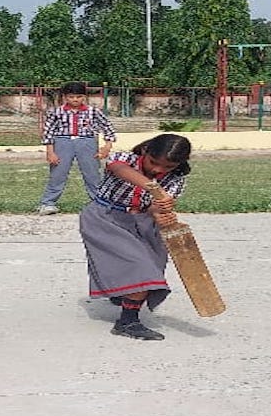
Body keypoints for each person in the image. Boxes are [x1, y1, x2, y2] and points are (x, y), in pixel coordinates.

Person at [80, 134, 194, 341]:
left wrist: (161, 212)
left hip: (141, 221)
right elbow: (119, 170)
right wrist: (154, 188)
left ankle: (126, 295)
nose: (158, 170)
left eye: (167, 167)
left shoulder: (176, 179)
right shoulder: (125, 159)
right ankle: (127, 321)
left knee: (154, 262)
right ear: (145, 150)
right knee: (140, 266)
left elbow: (152, 211)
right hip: (105, 218)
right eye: (154, 162)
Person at [37, 82, 118, 218]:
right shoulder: (56, 112)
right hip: (63, 141)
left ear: (84, 97)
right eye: (71, 97)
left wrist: (107, 146)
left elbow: (107, 127)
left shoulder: (93, 111)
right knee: (58, 173)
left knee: (92, 173)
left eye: (79, 97)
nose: (75, 100)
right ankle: (48, 203)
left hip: (86, 141)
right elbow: (48, 132)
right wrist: (50, 151)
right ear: (65, 97)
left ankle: (100, 203)